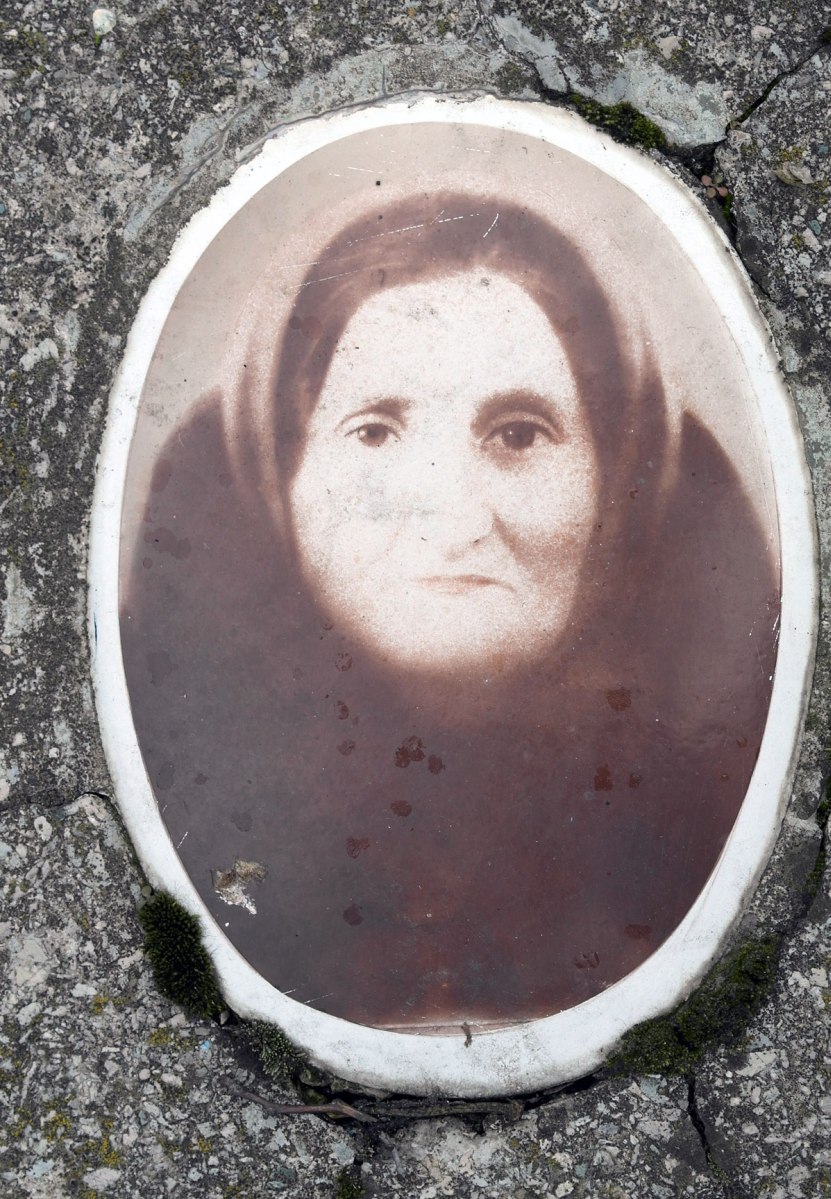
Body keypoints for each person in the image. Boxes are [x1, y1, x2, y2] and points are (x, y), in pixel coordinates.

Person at [121, 192, 779, 1030]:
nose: (454, 518)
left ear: (618, 476)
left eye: (517, 434)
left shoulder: (709, 806)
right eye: (373, 432)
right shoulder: (200, 799)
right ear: (277, 477)